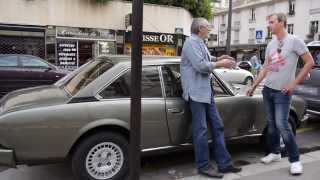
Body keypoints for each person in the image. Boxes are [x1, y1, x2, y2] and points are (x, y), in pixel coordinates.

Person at [246, 13, 314, 175]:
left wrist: (294, 83)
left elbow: (310, 62)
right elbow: (265, 68)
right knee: (271, 124)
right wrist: (254, 86)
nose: (269, 25)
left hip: (283, 92)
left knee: (283, 125)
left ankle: (295, 160)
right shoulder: (271, 44)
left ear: (282, 23)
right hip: (268, 90)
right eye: (268, 22)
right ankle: (275, 152)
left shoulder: (294, 41)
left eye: (271, 22)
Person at [180, 17, 242, 178]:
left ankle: (224, 164)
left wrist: (218, 59)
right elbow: (200, 66)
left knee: (218, 126)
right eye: (208, 26)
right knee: (200, 131)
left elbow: (206, 60)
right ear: (200, 28)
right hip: (196, 93)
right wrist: (221, 64)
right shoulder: (191, 43)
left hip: (206, 93)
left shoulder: (199, 42)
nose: (210, 29)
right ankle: (203, 166)